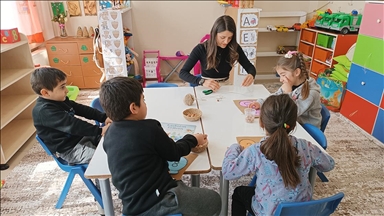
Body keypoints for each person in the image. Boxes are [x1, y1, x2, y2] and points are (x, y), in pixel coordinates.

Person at [99, 77, 221, 216]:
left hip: (131, 205)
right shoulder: (150, 128)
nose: (145, 103)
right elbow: (174, 153)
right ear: (133, 108)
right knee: (214, 200)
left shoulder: (109, 132)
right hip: (158, 201)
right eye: (143, 100)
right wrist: (192, 139)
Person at [222, 94, 335, 216]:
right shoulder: (306, 146)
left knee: (239, 193)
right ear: (293, 125)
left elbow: (228, 172)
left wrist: (235, 148)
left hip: (269, 212)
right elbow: (329, 165)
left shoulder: (257, 150)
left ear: (261, 123)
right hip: (302, 211)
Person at [31, 67, 112, 164]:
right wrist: (99, 130)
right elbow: (73, 125)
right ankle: (102, 178)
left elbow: (81, 109)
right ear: (45, 93)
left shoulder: (60, 100)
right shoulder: (44, 111)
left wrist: (103, 117)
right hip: (69, 149)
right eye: (62, 87)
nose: (66, 90)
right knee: (104, 160)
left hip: (81, 137)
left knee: (114, 143)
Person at [179, 15, 256, 90]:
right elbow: (183, 73)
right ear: (214, 34)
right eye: (222, 37)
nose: (226, 42)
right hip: (206, 86)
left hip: (226, 86)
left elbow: (249, 67)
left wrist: (251, 74)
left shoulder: (234, 47)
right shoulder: (201, 48)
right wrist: (202, 81)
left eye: (229, 38)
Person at [248, 51, 322, 129]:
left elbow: (291, 113)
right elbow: (275, 96)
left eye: (283, 75)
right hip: (294, 124)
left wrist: (287, 93)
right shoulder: (291, 84)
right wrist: (261, 103)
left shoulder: (311, 93)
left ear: (296, 72)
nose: (281, 80)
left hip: (307, 130)